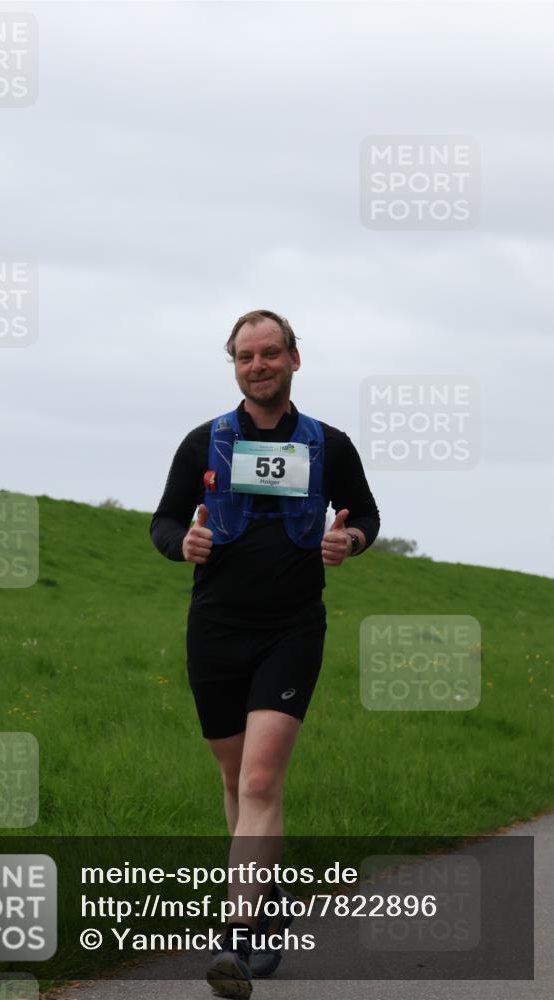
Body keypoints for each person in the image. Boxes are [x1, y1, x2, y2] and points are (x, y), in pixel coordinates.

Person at [150, 309, 380, 998]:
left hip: (291, 628)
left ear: (293, 360)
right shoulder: (204, 443)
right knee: (234, 783)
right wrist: (179, 544)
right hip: (215, 628)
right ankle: (267, 903)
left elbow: (365, 514)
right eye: (245, 356)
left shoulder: (328, 445)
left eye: (270, 353)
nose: (258, 365)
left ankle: (238, 940)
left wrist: (352, 543)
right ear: (235, 365)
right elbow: (163, 520)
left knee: (257, 783)